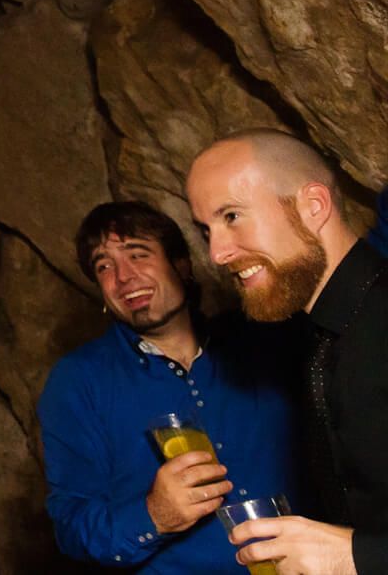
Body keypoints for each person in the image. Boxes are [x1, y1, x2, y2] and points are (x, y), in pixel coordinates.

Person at [37, 200, 303, 571]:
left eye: (138, 254)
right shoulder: (78, 381)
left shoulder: (262, 337)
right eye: (104, 266)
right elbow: (70, 525)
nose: (123, 276)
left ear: (182, 264)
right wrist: (153, 516)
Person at [185, 130, 388, 575]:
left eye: (232, 215)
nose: (217, 253)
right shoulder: (317, 338)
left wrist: (353, 555)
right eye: (206, 230)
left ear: (312, 206)